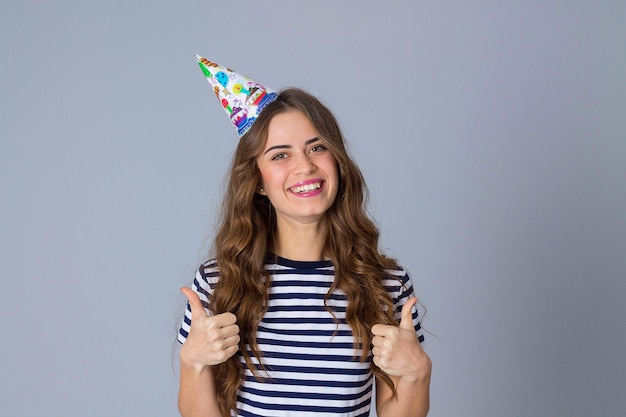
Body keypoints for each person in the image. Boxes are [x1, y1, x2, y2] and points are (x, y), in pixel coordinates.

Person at [178, 55, 432, 417]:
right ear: (258, 182)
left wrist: (418, 373)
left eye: (316, 147)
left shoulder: (385, 284)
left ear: (338, 162)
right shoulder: (219, 283)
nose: (305, 166)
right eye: (280, 155)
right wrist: (193, 363)